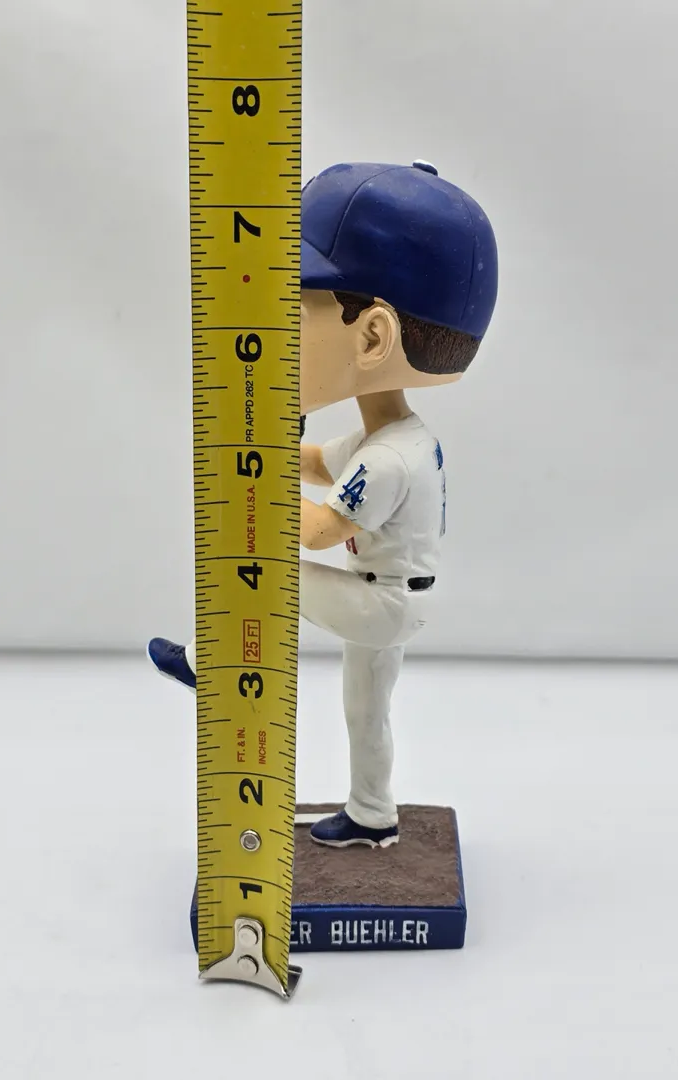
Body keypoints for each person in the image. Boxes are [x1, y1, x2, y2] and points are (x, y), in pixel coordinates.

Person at [149, 160, 498, 847]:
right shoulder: (390, 436)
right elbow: (315, 463)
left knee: (265, 575)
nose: (270, 332)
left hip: (385, 602)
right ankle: (373, 815)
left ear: (372, 338)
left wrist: (250, 483)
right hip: (392, 594)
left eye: (292, 312)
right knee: (366, 715)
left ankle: (207, 662)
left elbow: (315, 532)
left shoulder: (389, 456)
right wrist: (266, 440)